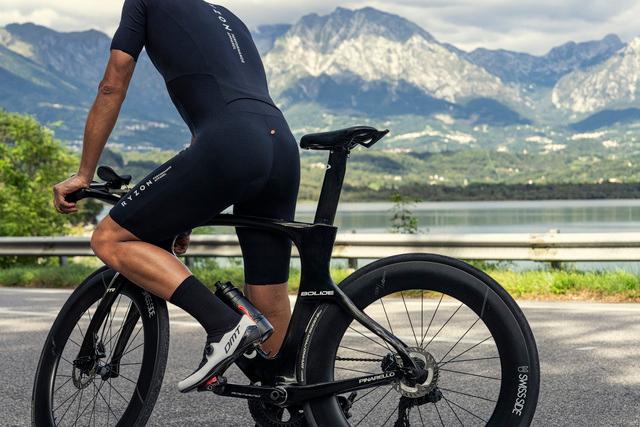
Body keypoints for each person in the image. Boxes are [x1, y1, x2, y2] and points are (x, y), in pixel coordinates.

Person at [52, 0, 300, 393]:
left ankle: (224, 324)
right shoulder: (228, 17)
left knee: (109, 238)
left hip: (232, 141)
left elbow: (112, 84)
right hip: (281, 145)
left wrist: (84, 173)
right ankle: (290, 399)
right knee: (268, 291)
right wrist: (185, 212)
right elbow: (226, 102)